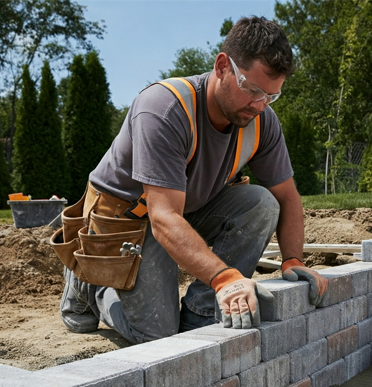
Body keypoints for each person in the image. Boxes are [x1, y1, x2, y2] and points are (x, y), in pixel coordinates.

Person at [59, 16, 327, 344]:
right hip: (127, 221)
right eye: (252, 90)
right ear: (222, 66)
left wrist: (293, 259)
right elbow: (162, 217)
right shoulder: (164, 109)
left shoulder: (260, 120)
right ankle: (93, 287)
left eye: (271, 96)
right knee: (157, 336)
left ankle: (201, 313)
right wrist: (225, 277)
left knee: (262, 203)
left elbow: (287, 197)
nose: (259, 105)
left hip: (178, 210)